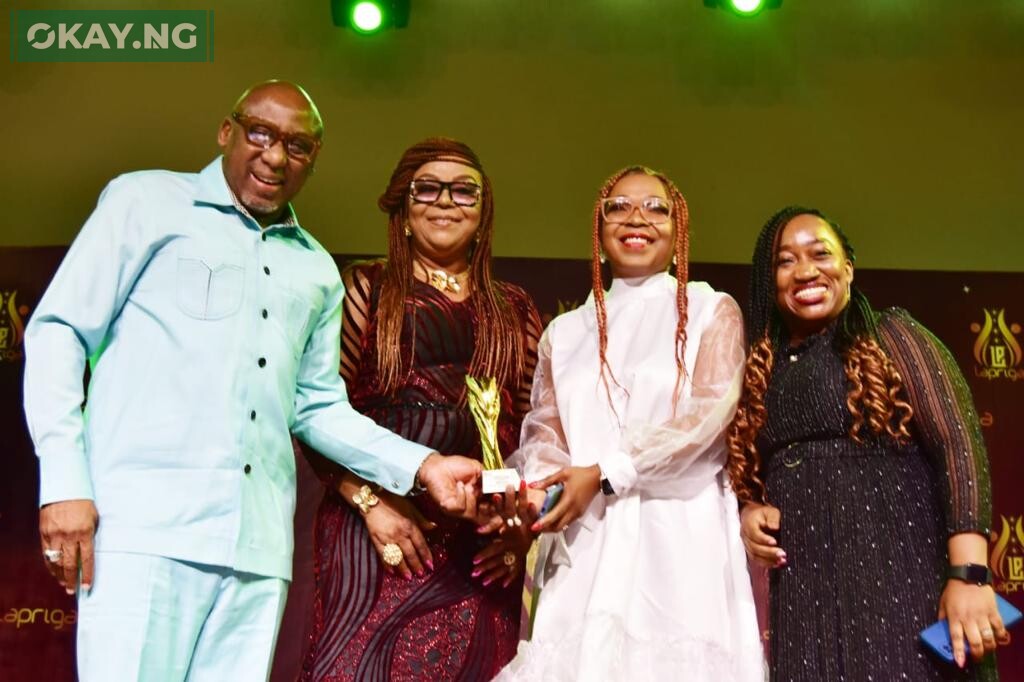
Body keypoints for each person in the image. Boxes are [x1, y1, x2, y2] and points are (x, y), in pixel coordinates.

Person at [22, 82, 482, 682]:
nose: (273, 155)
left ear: (312, 160)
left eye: (297, 145)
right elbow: (58, 331)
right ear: (226, 131)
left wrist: (423, 466)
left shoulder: (315, 267)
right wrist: (63, 481)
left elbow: (317, 407)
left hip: (257, 552)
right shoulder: (145, 202)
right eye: (259, 133)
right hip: (146, 529)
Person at [495, 166, 764, 681]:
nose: (636, 217)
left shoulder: (711, 310)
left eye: (655, 207)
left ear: (678, 232)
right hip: (585, 540)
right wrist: (541, 494)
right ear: (598, 231)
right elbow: (545, 433)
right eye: (618, 206)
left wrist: (605, 472)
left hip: (678, 535)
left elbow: (706, 425)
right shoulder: (565, 331)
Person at [727, 206, 1008, 680]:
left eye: (821, 254)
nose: (806, 271)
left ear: (849, 268)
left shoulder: (893, 336)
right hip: (807, 607)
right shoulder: (762, 371)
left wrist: (970, 577)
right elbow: (750, 473)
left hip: (903, 593)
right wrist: (749, 509)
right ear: (767, 281)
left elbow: (959, 449)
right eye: (785, 261)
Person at [299, 138, 542, 681]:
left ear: (484, 215)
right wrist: (369, 502)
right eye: (427, 189)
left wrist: (516, 522)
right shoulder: (369, 288)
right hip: (378, 525)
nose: (445, 201)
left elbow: (526, 431)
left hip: (480, 544)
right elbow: (316, 414)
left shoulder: (516, 307)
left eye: (464, 191)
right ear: (404, 211)